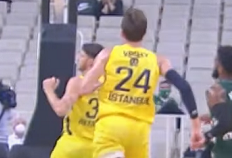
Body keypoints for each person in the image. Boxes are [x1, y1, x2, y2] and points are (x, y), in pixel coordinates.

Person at [79, 8, 204, 158]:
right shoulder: (158, 60)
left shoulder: (108, 54)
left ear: (122, 32)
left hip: (111, 125)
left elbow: (84, 87)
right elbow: (184, 87)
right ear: (144, 34)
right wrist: (195, 124)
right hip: (139, 130)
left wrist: (98, 85)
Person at [42, 43, 104, 158]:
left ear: (91, 62)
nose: (78, 58)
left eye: (82, 56)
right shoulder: (108, 84)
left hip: (73, 145)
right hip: (98, 147)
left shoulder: (78, 82)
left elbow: (61, 110)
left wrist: (48, 90)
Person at [199, 46, 232, 155]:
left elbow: (225, 122)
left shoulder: (216, 91)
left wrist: (207, 136)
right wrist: (213, 116)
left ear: (220, 65)